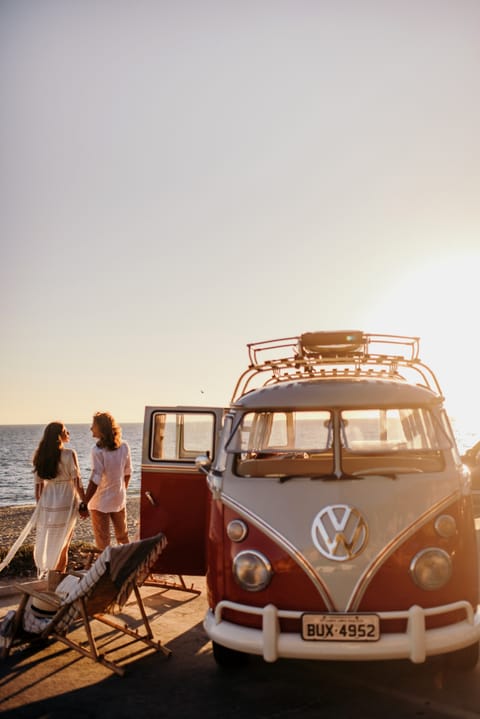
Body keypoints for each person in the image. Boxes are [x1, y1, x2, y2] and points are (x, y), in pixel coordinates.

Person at [0, 422, 87, 578]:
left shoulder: (40, 455)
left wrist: (40, 505)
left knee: (50, 540)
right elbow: (77, 481)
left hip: (48, 500)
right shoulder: (69, 454)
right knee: (63, 543)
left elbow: (38, 486)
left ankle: (52, 575)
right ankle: (58, 577)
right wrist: (85, 501)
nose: (69, 434)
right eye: (66, 431)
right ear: (59, 436)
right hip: (66, 499)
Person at [84, 411, 132, 551]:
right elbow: (128, 473)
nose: (91, 428)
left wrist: (85, 501)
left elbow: (96, 478)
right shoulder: (124, 446)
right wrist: (121, 491)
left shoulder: (97, 450)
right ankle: (127, 564)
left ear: (101, 428)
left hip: (100, 502)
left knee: (103, 541)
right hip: (118, 499)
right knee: (123, 537)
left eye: (93, 425)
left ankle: (107, 570)